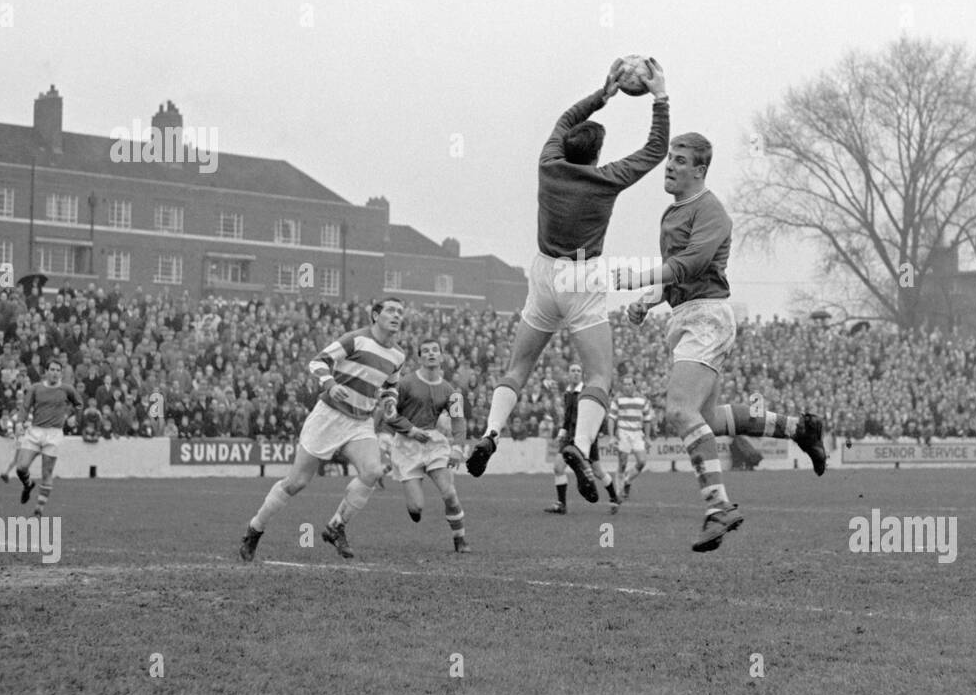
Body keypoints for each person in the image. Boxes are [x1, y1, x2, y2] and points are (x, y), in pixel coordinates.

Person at [465, 58, 669, 505]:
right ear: (596, 156)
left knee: (517, 369)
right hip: (582, 275)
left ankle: (490, 433)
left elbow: (565, 121)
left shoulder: (548, 164)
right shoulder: (606, 180)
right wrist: (660, 97)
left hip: (542, 273)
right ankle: (579, 443)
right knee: (599, 373)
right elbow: (656, 150)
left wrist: (602, 93)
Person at [614, 132, 829, 551]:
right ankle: (799, 429)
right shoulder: (672, 213)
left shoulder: (711, 210)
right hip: (686, 316)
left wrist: (640, 278)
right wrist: (648, 298)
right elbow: (677, 271)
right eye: (669, 159)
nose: (670, 165)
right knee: (706, 421)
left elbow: (693, 262)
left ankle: (718, 507)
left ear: (700, 170)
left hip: (708, 317)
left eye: (680, 160)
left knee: (678, 409)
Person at [239, 297, 408, 562]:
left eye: (400, 312)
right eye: (390, 310)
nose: (396, 315)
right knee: (296, 483)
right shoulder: (355, 339)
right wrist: (331, 385)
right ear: (375, 315)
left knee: (373, 471)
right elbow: (318, 361)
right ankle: (255, 528)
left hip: (360, 421)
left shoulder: (398, 355)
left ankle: (336, 526)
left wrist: (389, 403)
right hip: (329, 417)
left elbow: (390, 385)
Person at [372, 338, 471, 553]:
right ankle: (414, 504)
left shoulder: (450, 390)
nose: (431, 354)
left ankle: (460, 539)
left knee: (450, 494)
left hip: (433, 443)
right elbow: (389, 413)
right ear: (419, 358)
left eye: (435, 350)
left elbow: (458, 420)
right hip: (407, 445)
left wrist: (457, 447)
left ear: (442, 356)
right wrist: (410, 429)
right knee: (416, 507)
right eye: (425, 351)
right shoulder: (405, 383)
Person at [13, 358, 84, 517]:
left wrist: (75, 418)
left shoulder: (67, 389)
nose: (55, 373)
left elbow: (79, 404)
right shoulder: (35, 388)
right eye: (52, 369)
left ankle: (38, 510)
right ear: (46, 372)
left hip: (54, 434)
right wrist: (19, 422)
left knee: (47, 472)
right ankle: (28, 484)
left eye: (58, 370)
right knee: (21, 467)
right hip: (35, 431)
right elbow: (25, 407)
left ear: (61, 373)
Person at [545, 363, 616, 514]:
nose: (576, 373)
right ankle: (561, 504)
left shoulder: (587, 393)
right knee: (558, 467)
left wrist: (598, 432)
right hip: (569, 436)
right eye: (573, 371)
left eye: (578, 371)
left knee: (597, 471)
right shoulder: (568, 393)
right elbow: (567, 417)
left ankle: (614, 498)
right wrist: (562, 433)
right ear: (568, 374)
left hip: (585, 438)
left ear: (582, 375)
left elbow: (599, 413)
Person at [608, 375, 654, 499]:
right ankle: (618, 493)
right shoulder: (618, 399)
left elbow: (647, 419)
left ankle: (627, 481)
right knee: (622, 464)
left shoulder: (642, 400)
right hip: (623, 432)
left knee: (642, 462)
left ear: (634, 385)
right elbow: (611, 418)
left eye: (629, 384)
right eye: (625, 384)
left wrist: (648, 437)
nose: (627, 387)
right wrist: (611, 436)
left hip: (638, 433)